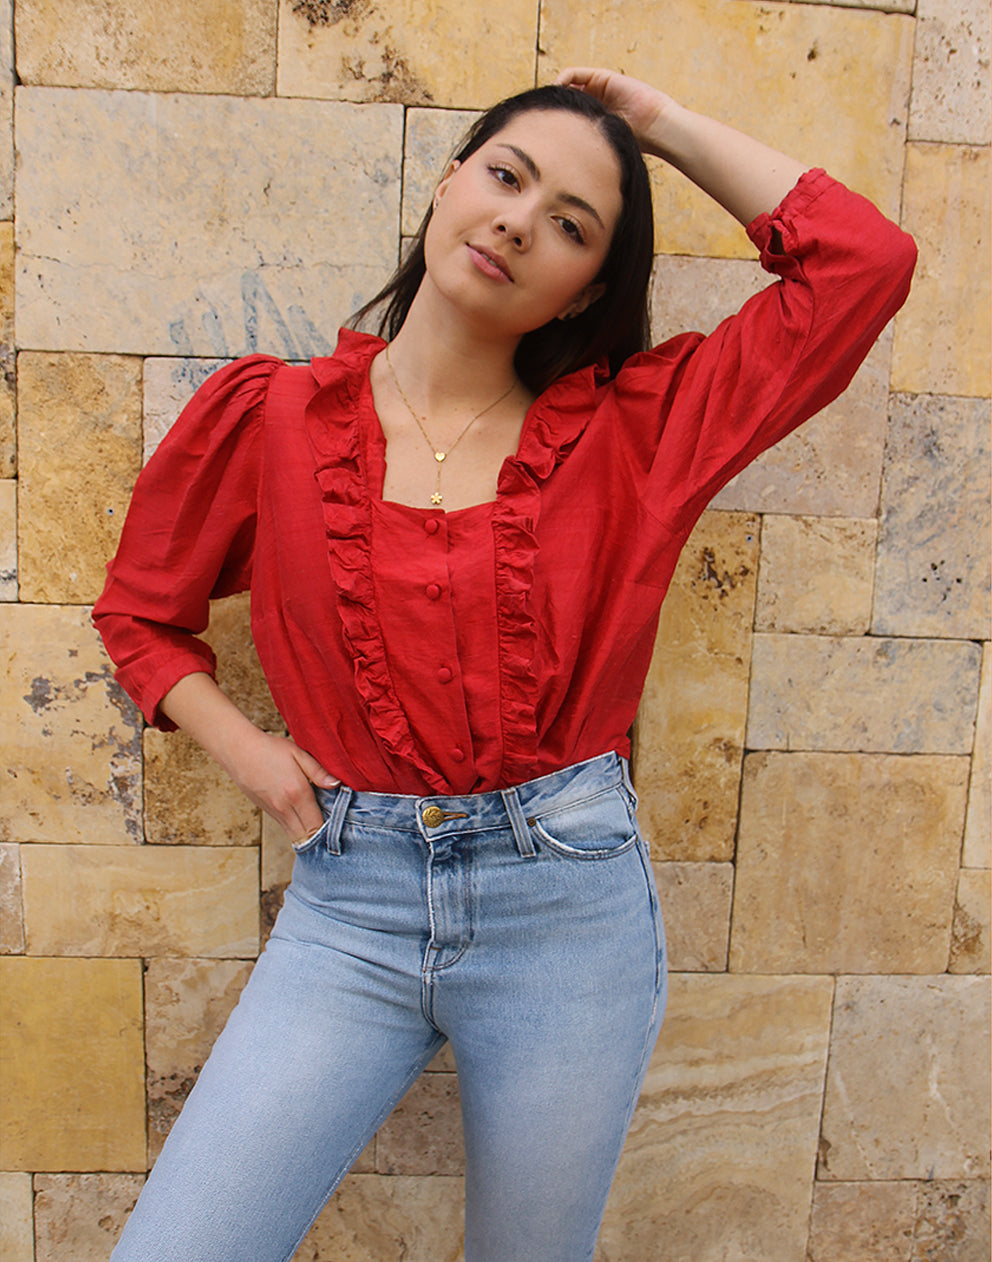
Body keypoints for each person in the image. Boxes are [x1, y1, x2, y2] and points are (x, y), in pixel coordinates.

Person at [93, 66, 916, 1262]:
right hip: (349, 908)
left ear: (587, 283)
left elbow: (862, 264)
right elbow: (139, 615)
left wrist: (663, 127)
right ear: (447, 183)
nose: (521, 220)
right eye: (506, 174)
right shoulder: (268, 418)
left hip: (564, 911)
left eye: (571, 225)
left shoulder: (641, 427)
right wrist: (252, 752)